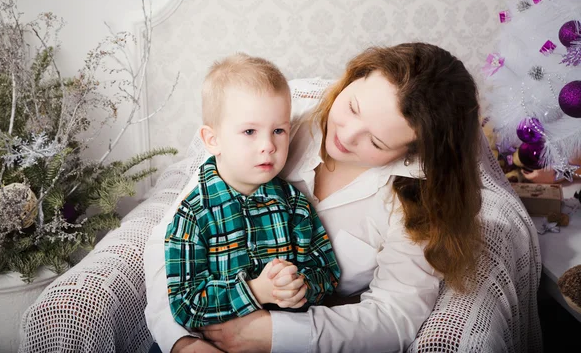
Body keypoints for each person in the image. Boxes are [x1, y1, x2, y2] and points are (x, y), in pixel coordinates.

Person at [144, 43, 483, 352]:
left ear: (413, 152)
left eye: (376, 142)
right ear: (354, 77)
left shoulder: (416, 205)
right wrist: (181, 341)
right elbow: (172, 238)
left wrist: (276, 332)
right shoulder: (280, 124)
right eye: (352, 107)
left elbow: (395, 316)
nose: (346, 136)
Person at [163, 53, 341, 329]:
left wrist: (301, 286)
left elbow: (327, 273)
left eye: (279, 130)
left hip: (285, 339)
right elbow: (185, 305)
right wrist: (256, 290)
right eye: (249, 132)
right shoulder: (194, 214)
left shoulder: (294, 205)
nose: (268, 145)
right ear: (213, 140)